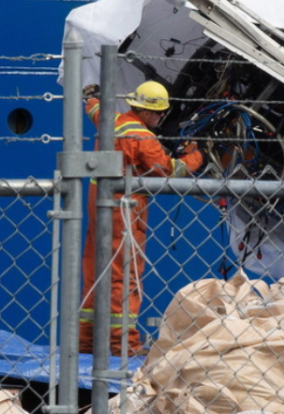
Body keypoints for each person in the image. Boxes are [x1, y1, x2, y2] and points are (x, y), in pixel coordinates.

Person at [79, 80, 203, 356]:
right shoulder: (143, 138)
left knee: (94, 274)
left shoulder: (112, 119)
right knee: (125, 278)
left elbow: (94, 109)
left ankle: (85, 344)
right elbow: (169, 172)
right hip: (124, 210)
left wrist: (90, 97)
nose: (161, 118)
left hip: (97, 202)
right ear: (147, 111)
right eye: (159, 113)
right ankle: (124, 345)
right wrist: (196, 155)